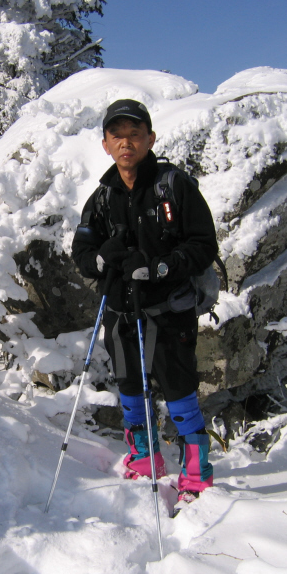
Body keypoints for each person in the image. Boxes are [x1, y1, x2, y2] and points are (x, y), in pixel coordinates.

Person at [71, 99, 219, 503]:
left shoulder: (173, 185)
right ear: (105, 143)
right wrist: (102, 259)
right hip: (120, 311)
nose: (126, 143)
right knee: (130, 388)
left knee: (179, 391)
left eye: (135, 134)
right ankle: (144, 459)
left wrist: (162, 268)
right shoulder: (102, 197)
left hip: (170, 308)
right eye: (117, 135)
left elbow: (203, 244)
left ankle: (195, 476)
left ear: (150, 139)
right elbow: (81, 251)